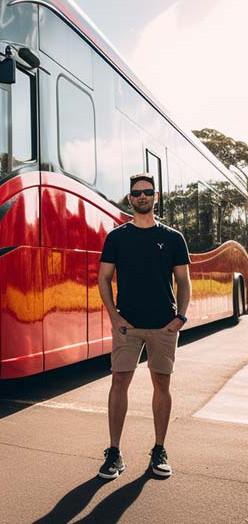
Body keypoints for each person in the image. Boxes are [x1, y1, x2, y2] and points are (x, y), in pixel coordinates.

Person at [97, 173, 191, 479]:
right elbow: (103, 278)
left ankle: (159, 450)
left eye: (147, 192)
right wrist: (114, 316)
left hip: (163, 325)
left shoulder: (174, 238)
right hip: (128, 326)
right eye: (136, 193)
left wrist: (180, 318)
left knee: (161, 386)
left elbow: (183, 281)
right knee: (119, 382)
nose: (142, 197)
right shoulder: (117, 237)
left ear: (156, 196)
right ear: (130, 198)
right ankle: (114, 452)